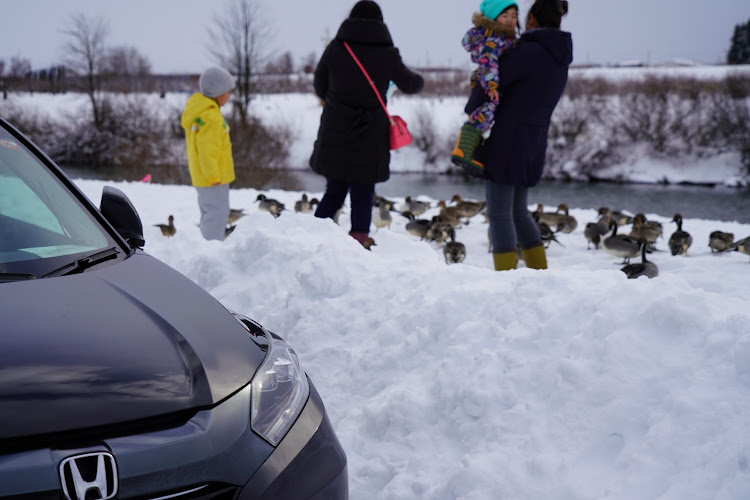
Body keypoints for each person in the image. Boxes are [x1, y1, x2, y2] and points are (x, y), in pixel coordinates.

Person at [466, 0, 572, 270]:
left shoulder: (527, 52)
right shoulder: (559, 56)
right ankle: (539, 271)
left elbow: (492, 82)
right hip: (535, 141)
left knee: (500, 213)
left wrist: (473, 106)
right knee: (517, 212)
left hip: (508, 141)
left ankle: (505, 277)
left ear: (533, 19)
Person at [309, 0, 424, 247]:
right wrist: (419, 80)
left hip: (336, 129)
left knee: (334, 192)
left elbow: (319, 86)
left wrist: (339, 100)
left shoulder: (337, 48)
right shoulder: (387, 53)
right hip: (371, 133)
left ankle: (312, 241)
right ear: (380, 24)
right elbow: (410, 84)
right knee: (363, 194)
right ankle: (357, 247)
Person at [450, 0, 520, 178]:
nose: (510, 20)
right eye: (505, 16)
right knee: (486, 113)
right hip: (488, 84)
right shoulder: (494, 40)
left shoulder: (500, 37)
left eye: (514, 16)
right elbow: (488, 62)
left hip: (485, 82)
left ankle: (470, 151)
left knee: (485, 115)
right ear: (493, 18)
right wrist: (492, 86)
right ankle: (463, 150)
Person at [180, 66, 236, 241]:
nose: (229, 95)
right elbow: (207, 150)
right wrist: (213, 176)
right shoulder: (211, 116)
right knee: (217, 213)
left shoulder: (201, 112)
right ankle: (211, 248)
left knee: (209, 212)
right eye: (228, 91)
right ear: (219, 93)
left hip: (203, 177)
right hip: (213, 178)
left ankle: (207, 244)